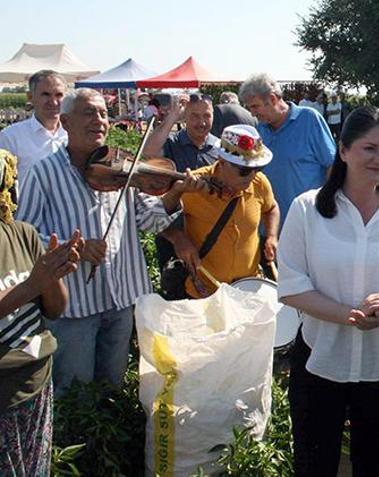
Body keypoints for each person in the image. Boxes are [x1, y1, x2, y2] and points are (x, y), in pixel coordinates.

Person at [277, 105, 379, 476]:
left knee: (374, 463)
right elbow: (291, 286)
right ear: (344, 150)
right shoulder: (308, 209)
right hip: (319, 358)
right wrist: (349, 317)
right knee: (314, 463)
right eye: (370, 148)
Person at [16, 88, 204, 395]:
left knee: (113, 389)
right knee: (76, 392)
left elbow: (151, 219)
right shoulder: (43, 173)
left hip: (122, 297)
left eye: (104, 113)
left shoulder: (122, 167)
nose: (99, 121)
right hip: (75, 305)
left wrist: (177, 191)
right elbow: (25, 237)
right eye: (89, 113)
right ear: (65, 121)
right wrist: (72, 247)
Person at [0, 150, 82, 477]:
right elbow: (30, 287)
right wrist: (33, 283)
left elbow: (56, 309)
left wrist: (53, 275)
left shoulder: (22, 233)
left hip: (35, 383)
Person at [161, 124, 279, 298]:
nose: (253, 175)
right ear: (223, 162)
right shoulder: (195, 184)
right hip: (204, 292)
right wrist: (179, 239)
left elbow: (271, 208)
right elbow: (158, 217)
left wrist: (271, 236)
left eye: (258, 168)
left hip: (248, 289)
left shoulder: (259, 183)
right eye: (245, 170)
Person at [141, 93, 221, 299]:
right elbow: (147, 154)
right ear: (185, 117)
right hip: (173, 241)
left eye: (207, 115)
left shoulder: (221, 149)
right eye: (194, 116)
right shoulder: (171, 143)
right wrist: (171, 118)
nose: (201, 122)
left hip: (211, 244)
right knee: (177, 302)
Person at [239, 74, 335, 226]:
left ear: (272, 99)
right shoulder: (260, 129)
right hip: (270, 226)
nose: (252, 113)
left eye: (254, 106)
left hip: (308, 223)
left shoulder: (309, 120)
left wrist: (328, 206)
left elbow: (332, 166)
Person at [0, 70, 68, 188]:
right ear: (30, 97)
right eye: (45, 94)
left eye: (59, 95)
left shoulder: (73, 134)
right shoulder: (11, 137)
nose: (53, 102)